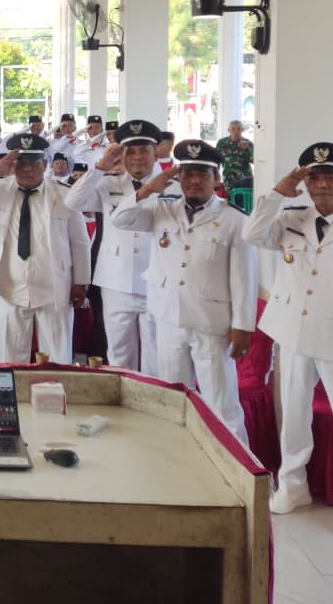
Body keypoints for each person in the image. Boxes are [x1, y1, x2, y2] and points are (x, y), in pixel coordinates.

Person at [244, 142, 333, 536]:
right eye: (314, 177)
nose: (322, 184)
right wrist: (280, 191)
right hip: (293, 333)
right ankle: (293, 486)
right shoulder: (289, 219)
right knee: (293, 415)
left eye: (330, 177)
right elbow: (251, 233)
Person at [111, 139, 257, 444]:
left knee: (222, 403)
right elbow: (120, 219)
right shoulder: (162, 208)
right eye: (188, 173)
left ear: (216, 178)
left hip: (211, 323)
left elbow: (245, 278)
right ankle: (176, 454)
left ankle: (237, 463)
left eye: (202, 174)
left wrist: (243, 326)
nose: (194, 181)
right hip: (168, 318)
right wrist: (149, 188)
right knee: (173, 397)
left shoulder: (234, 219)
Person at [0, 134, 91, 365]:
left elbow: (80, 242)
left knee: (57, 358)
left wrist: (81, 282)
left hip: (54, 289)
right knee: (9, 359)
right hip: (10, 287)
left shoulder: (63, 193)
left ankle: (55, 388)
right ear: (12, 165)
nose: (27, 169)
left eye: (34, 163)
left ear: (45, 164)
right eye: (21, 163)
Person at [62, 120, 164, 375]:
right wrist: (100, 168)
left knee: (157, 353)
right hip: (116, 280)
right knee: (119, 352)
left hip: (158, 281)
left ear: (156, 153)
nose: (137, 157)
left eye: (144, 151)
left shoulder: (172, 186)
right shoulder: (109, 184)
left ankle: (152, 397)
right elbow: (73, 202)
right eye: (131, 151)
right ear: (121, 155)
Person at [216, 121, 254, 188]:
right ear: (229, 130)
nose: (236, 131)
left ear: (242, 130)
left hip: (244, 179)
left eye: (238, 129)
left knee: (243, 194)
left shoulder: (248, 143)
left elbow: (254, 161)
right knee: (230, 194)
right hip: (228, 179)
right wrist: (215, 175)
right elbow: (216, 159)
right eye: (233, 129)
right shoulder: (222, 143)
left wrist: (246, 150)